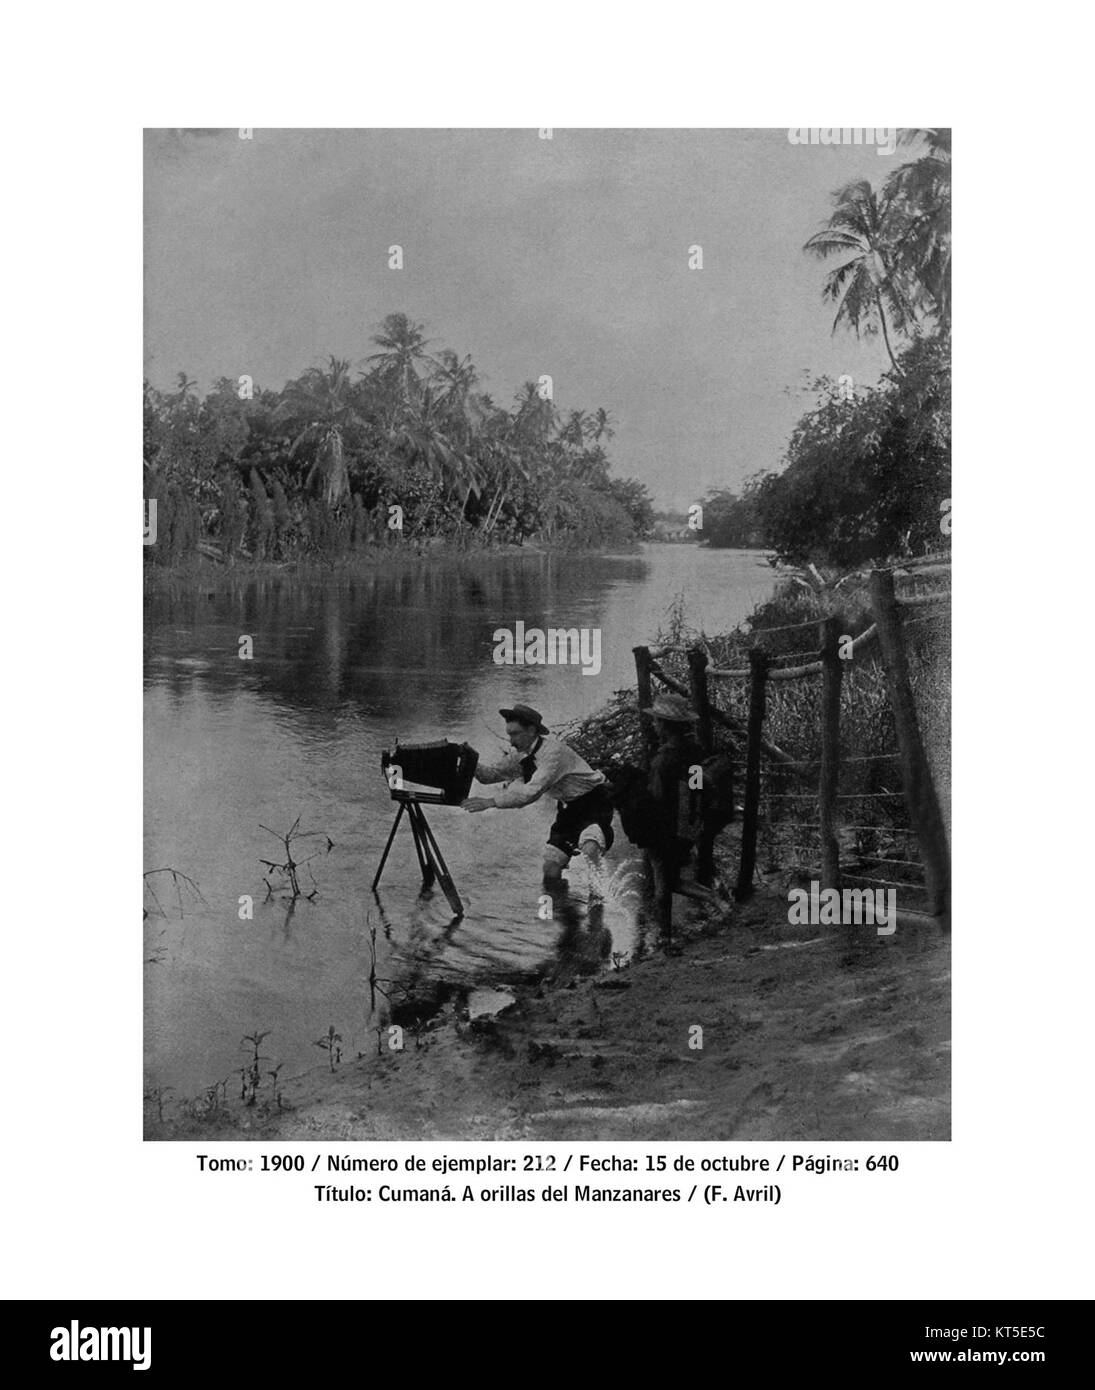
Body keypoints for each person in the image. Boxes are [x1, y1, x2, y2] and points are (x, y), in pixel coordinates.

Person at [462, 703, 615, 891]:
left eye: (515, 734)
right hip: (569, 809)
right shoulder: (519, 754)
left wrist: (490, 802)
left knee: (590, 847)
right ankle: (561, 914)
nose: (511, 741)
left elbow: (531, 793)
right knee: (551, 868)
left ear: (532, 730)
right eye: (509, 734)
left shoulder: (553, 753)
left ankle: (597, 903)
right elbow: (490, 776)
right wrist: (468, 759)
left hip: (595, 802)